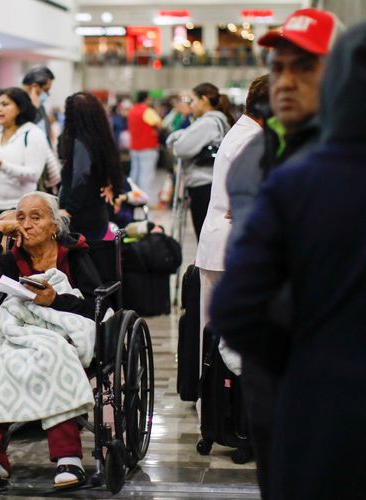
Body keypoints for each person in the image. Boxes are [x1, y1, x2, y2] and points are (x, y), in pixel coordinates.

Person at [211, 22, 366, 500]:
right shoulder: (256, 156)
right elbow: (239, 304)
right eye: (277, 69)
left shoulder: (320, 164)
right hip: (287, 383)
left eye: (305, 67)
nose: (286, 81)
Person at [0, 192, 102, 490]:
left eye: (36, 217)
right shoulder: (13, 259)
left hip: (61, 332)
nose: (27, 224)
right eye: (20, 217)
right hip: (18, 334)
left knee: (55, 353)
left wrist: (55, 300)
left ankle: (68, 457)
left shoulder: (74, 254)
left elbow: (97, 307)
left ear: (54, 226)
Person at [194, 74, 269, 376]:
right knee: (226, 338)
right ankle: (216, 404)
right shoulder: (251, 139)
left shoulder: (243, 131)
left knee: (212, 332)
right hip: (229, 246)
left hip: (218, 242)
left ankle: (210, 399)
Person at [166, 82, 234, 239]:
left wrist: (176, 138)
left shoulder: (208, 122)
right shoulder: (220, 121)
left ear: (203, 99)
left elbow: (180, 148)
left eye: (193, 101)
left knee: (204, 235)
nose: (192, 106)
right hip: (212, 183)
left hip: (203, 185)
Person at [57, 91, 125, 240]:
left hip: (79, 216)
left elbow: (81, 175)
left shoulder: (79, 141)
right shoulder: (102, 139)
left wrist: (69, 209)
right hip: (97, 213)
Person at [21, 66, 61, 193]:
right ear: (34, 87)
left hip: (43, 162)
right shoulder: (20, 107)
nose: (47, 94)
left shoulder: (40, 107)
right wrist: (34, 108)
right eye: (46, 90)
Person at [127, 90, 162, 203]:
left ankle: (133, 198)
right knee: (146, 175)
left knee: (135, 174)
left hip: (134, 147)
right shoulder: (147, 111)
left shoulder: (131, 110)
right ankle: (146, 200)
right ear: (146, 99)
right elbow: (159, 124)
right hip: (148, 147)